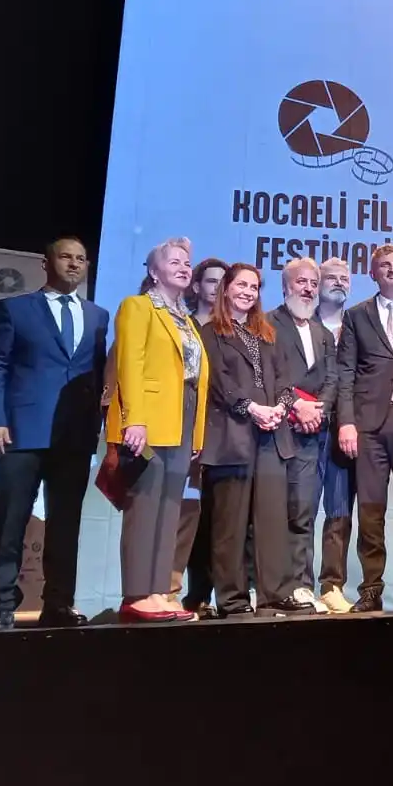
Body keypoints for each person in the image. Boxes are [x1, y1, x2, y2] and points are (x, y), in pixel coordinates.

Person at [0, 237, 108, 630]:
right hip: (22, 431)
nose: (74, 264)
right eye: (66, 256)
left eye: (81, 259)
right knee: (11, 519)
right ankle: (2, 605)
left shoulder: (98, 315)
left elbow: (98, 375)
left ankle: (58, 603)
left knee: (66, 523)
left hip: (74, 435)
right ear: (46, 262)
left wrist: (98, 425)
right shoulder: (16, 309)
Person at [200, 263, 312, 618]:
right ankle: (232, 600)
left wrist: (280, 407)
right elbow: (219, 382)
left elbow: (283, 380)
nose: (248, 292)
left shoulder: (266, 333)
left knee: (272, 520)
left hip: (271, 437)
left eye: (254, 287)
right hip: (232, 438)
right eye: (242, 285)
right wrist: (252, 408)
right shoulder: (210, 332)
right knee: (230, 525)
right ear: (226, 288)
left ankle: (274, 594)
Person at [106, 237, 208, 622]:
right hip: (149, 418)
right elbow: (129, 364)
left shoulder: (186, 319)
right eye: (174, 261)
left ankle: (158, 591)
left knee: (169, 509)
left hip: (182, 416)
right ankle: (135, 594)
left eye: (187, 262)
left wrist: (196, 433)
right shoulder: (138, 307)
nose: (184, 267)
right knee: (145, 505)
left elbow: (196, 378)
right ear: (153, 271)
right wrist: (135, 418)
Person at [335, 244, 393, 612]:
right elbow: (345, 372)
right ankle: (371, 588)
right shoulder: (356, 315)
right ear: (373, 273)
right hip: (369, 425)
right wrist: (347, 422)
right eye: (385, 265)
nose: (392, 269)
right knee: (371, 510)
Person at [267, 257, 337, 613]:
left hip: (310, 435)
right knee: (269, 512)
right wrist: (296, 405)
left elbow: (332, 379)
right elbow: (268, 375)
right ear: (285, 287)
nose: (308, 289)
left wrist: (317, 411)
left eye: (313, 283)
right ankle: (265, 587)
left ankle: (301, 585)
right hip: (274, 431)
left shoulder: (324, 334)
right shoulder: (267, 324)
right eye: (301, 282)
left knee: (303, 510)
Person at [165, 257, 226, 616]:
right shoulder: (182, 324)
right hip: (183, 431)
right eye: (211, 281)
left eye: (223, 281)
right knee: (184, 515)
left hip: (223, 434)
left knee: (216, 520)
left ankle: (205, 595)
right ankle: (170, 591)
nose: (218, 288)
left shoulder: (234, 329)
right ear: (197, 286)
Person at [311, 255, 356, 612]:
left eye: (344, 278)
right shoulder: (299, 323)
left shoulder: (356, 324)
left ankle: (331, 585)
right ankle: (296, 583)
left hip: (345, 430)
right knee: (300, 508)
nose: (339, 283)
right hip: (306, 428)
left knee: (339, 510)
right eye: (332, 277)